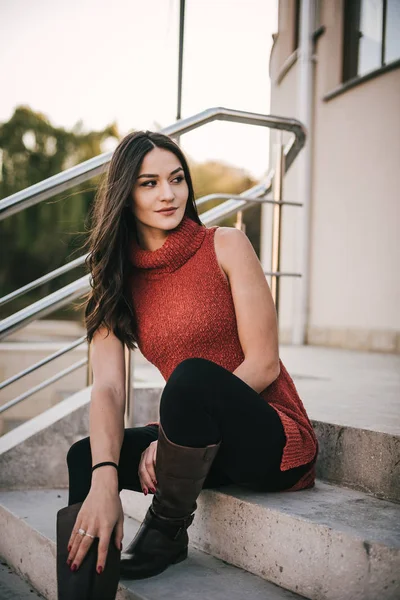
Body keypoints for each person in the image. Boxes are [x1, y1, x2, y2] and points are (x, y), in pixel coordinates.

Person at [58, 130, 318, 597]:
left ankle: (167, 529)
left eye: (177, 179)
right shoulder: (117, 283)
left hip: (270, 436)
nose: (169, 194)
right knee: (88, 459)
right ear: (125, 194)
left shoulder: (226, 246)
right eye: (150, 183)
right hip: (197, 443)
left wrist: (168, 440)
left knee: (190, 377)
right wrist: (105, 480)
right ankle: (84, 592)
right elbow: (109, 391)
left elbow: (264, 364)